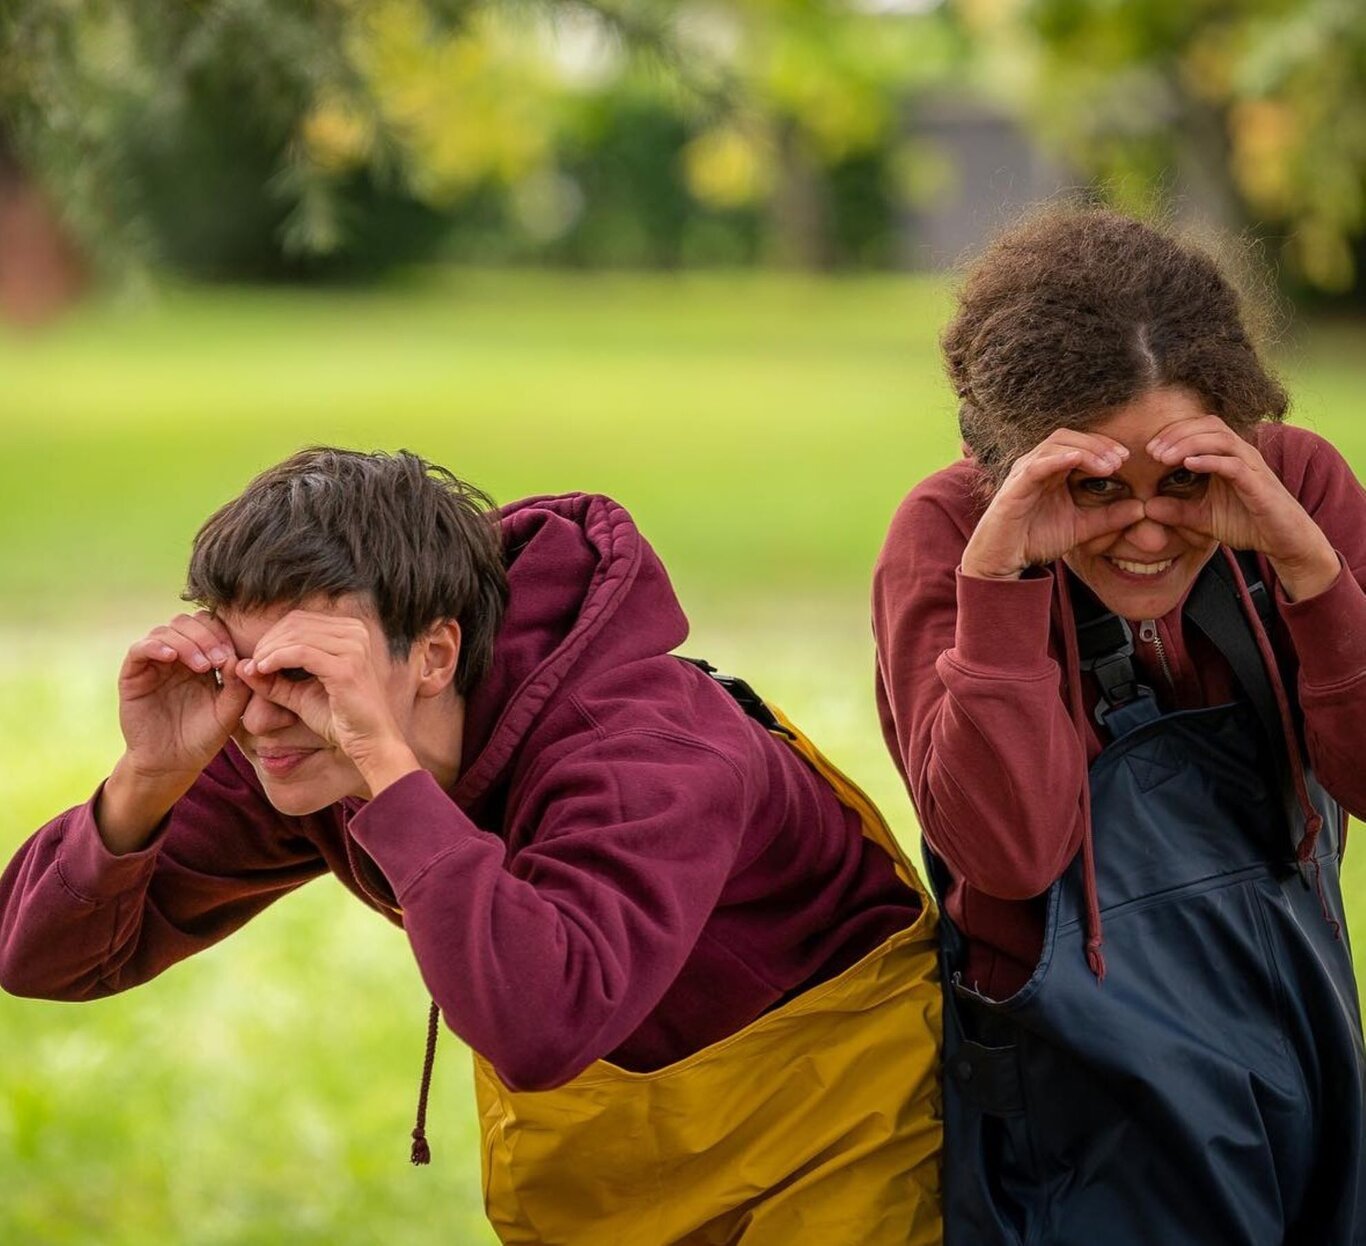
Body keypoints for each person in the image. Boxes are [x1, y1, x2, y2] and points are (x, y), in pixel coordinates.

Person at [0, 447, 941, 1245]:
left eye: (304, 671)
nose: (257, 718)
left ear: (436, 655)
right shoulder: (300, 743)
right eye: (241, 668)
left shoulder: (650, 750)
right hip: (633, 1163)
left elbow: (543, 1023)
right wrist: (148, 778)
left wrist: (380, 759)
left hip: (843, 1145)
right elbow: (42, 957)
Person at [873, 208, 1366, 1245]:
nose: (1144, 527)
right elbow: (1006, 855)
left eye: (1182, 481)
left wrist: (1308, 568)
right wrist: (999, 586)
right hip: (1076, 1094)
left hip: (1295, 1033)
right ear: (1012, 454)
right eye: (1095, 488)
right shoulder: (947, 536)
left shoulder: (1297, 488)